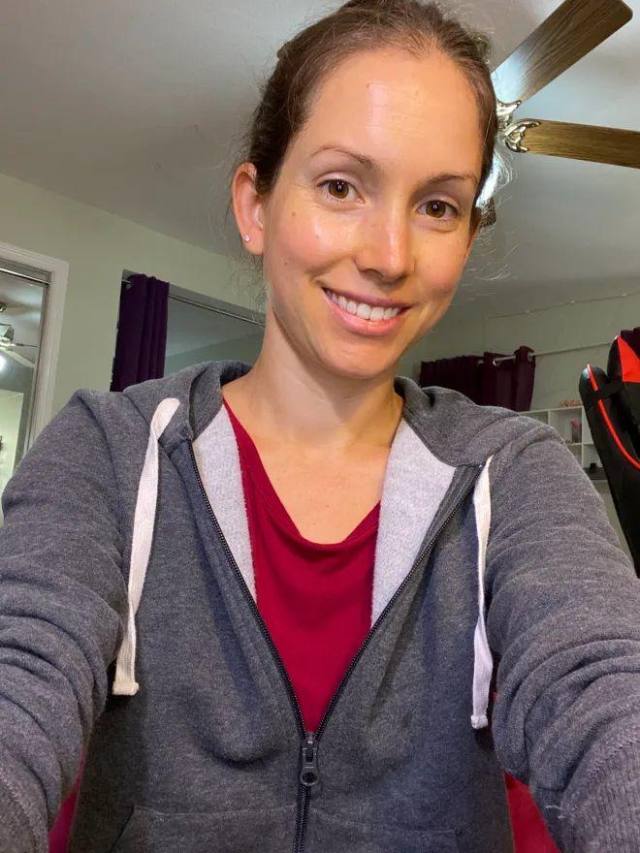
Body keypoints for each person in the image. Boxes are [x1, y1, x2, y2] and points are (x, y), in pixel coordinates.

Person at [1, 1, 640, 851]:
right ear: (255, 206)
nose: (389, 255)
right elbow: (20, 675)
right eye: (341, 186)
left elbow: (601, 691)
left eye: (438, 205)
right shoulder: (109, 453)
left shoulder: (515, 472)